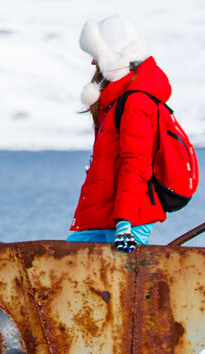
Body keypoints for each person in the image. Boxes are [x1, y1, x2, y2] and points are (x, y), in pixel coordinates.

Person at [67, 15, 168, 253]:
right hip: (105, 216)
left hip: (125, 223)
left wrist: (124, 222)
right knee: (59, 266)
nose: (93, 63)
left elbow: (136, 163)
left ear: (113, 56)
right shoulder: (115, 100)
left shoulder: (135, 101)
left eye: (97, 55)